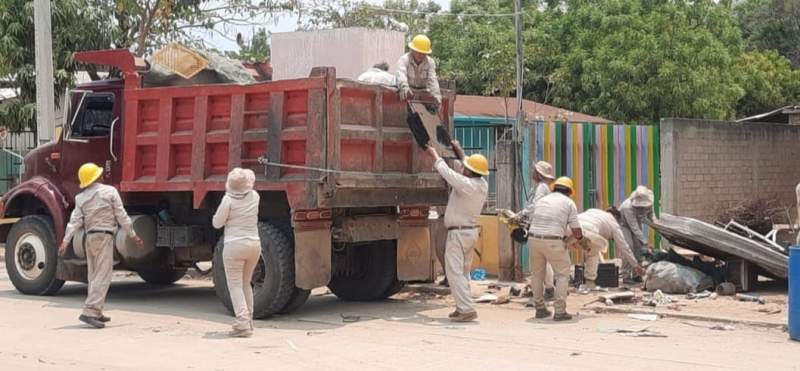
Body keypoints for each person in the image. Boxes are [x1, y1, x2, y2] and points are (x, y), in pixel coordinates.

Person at [59, 163, 143, 329]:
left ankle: (97, 311)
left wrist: (66, 240)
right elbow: (121, 215)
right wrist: (133, 235)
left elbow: (74, 221)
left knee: (93, 275)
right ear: (97, 176)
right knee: (103, 276)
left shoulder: (80, 198)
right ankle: (90, 311)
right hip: (105, 236)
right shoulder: (110, 192)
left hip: (89, 237)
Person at [424, 140, 489, 322]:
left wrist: (434, 155)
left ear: (470, 172)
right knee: (463, 272)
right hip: (469, 233)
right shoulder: (481, 184)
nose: (463, 168)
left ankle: (466, 308)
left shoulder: (466, 184)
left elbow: (447, 173)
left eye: (465, 168)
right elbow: (467, 162)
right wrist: (458, 148)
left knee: (454, 273)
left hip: (459, 234)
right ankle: (463, 307)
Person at [212, 168, 261, 338]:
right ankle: (249, 322)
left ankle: (242, 323)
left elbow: (217, 223)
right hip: (254, 244)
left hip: (234, 245)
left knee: (235, 286)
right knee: (246, 283)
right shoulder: (255, 197)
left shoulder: (228, 200)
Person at [528, 177, 585, 321]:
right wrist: (580, 241)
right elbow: (576, 230)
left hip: (533, 238)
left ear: (554, 188)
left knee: (537, 275)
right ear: (570, 192)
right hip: (553, 241)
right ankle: (559, 311)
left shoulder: (542, 200)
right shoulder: (569, 203)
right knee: (562, 275)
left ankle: (540, 309)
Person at [565, 208, 645, 288]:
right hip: (587, 231)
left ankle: (561, 278)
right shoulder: (614, 224)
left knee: (562, 251)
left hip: (569, 228)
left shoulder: (594, 211)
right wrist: (636, 265)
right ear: (616, 218)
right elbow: (624, 247)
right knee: (596, 251)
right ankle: (589, 282)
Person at [514, 161, 556, 301]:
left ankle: (543, 292)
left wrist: (521, 214)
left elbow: (536, 205)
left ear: (538, 173)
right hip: (537, 225)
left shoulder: (542, 187)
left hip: (539, 226)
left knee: (539, 261)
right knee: (543, 259)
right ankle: (548, 288)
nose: (532, 172)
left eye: (534, 170)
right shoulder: (540, 187)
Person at [618, 185, 655, 282]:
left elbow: (652, 217)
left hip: (636, 223)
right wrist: (645, 242)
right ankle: (626, 275)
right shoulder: (627, 207)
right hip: (624, 225)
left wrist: (659, 227)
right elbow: (634, 227)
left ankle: (636, 274)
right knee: (629, 246)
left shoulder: (650, 202)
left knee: (638, 247)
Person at [395, 34, 441, 105]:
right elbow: (401, 74)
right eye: (419, 52)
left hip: (423, 92)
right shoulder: (404, 60)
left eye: (424, 53)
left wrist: (437, 95)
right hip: (408, 90)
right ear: (412, 50)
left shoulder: (430, 62)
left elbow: (433, 80)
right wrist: (404, 86)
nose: (421, 55)